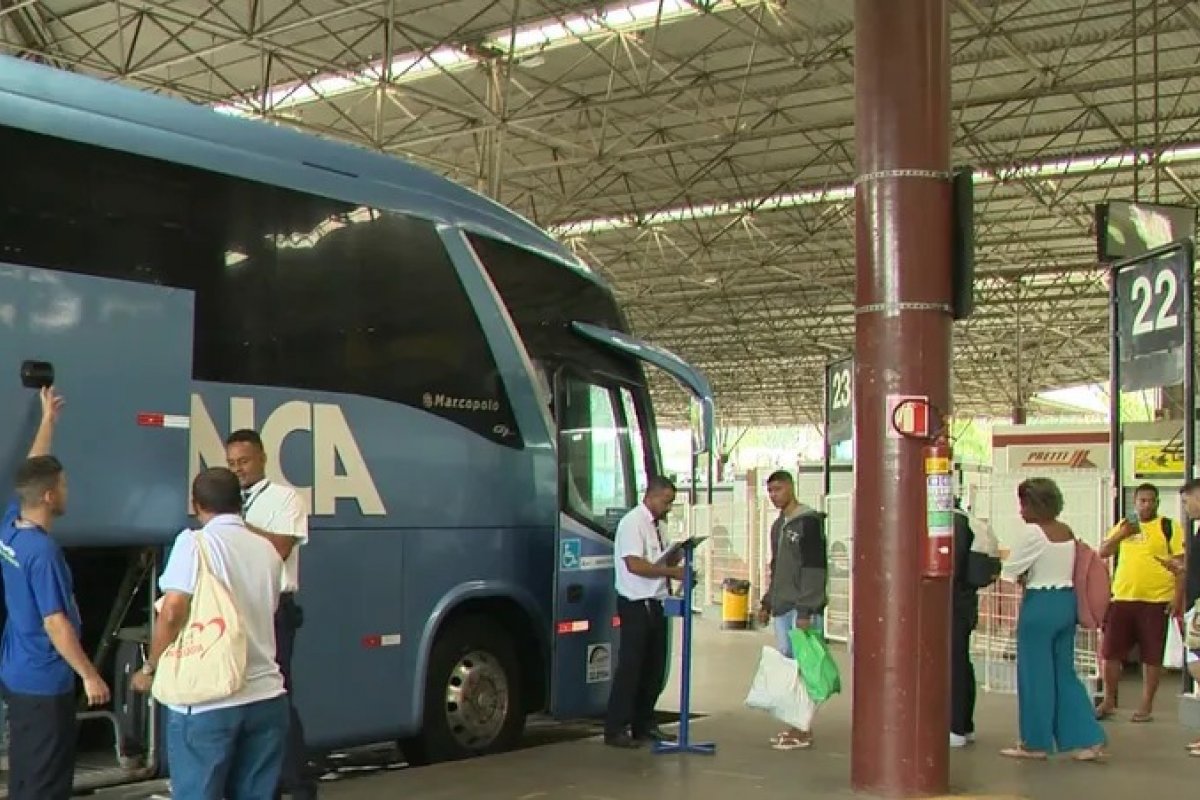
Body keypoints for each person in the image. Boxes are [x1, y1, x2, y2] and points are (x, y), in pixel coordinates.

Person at [132, 467, 289, 799]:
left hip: (208, 702)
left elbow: (173, 610)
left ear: (196, 504)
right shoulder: (268, 551)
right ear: (240, 503)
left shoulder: (194, 544)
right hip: (267, 698)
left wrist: (150, 667)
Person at [0, 386, 110, 800]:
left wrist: (47, 422)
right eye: (62, 485)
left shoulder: (11, 526)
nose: (67, 490)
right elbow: (56, 623)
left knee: (27, 772)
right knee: (46, 784)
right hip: (46, 682)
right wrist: (89, 675)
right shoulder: (42, 552)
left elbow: (32, 468)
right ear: (49, 497)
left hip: (17, 672)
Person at [225, 429, 317, 799]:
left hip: (275, 608)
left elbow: (279, 547)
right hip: (237, 609)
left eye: (243, 462)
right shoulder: (228, 501)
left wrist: (233, 524)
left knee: (277, 696)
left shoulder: (285, 499)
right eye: (231, 464)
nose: (237, 470)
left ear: (262, 457)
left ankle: (296, 784)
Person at [999, 477, 1105, 762]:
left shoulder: (1033, 533)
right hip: (1066, 604)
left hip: (1040, 605)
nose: (1020, 511)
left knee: (1035, 677)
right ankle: (1088, 739)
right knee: (1064, 674)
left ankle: (1035, 743)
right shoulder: (1066, 531)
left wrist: (1021, 572)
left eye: (1023, 504)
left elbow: (1009, 572)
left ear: (1035, 504)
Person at [604, 476, 685, 749]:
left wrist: (676, 557)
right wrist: (670, 571)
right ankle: (616, 728)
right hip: (636, 603)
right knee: (631, 667)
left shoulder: (658, 526)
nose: (668, 507)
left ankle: (644, 724)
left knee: (653, 667)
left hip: (657, 603)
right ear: (650, 496)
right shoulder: (632, 524)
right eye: (666, 501)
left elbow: (658, 559)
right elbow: (635, 565)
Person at [1096, 483, 1183, 722]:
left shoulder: (1168, 527)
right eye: (1142, 500)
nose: (1147, 505)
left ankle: (1146, 705)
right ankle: (1109, 700)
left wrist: (1177, 598)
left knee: (1152, 656)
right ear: (1134, 503)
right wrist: (1122, 534)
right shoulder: (1125, 525)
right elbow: (1103, 551)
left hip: (1156, 601)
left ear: (1157, 502)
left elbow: (1180, 565)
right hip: (1123, 598)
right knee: (1110, 652)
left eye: (1151, 500)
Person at [756, 469, 827, 751]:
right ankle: (795, 726)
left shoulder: (808, 523)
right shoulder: (779, 526)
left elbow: (814, 569)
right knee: (789, 671)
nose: (774, 496)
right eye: (770, 491)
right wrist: (767, 602)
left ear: (791, 488)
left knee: (805, 672)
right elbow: (778, 567)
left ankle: (803, 730)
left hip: (801, 611)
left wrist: (807, 610)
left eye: (778, 489)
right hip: (783, 608)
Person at [950, 500, 980, 748]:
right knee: (961, 662)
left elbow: (952, 568)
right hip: (965, 604)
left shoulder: (952, 524)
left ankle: (955, 726)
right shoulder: (966, 521)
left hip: (951, 605)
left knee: (953, 664)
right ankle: (964, 725)